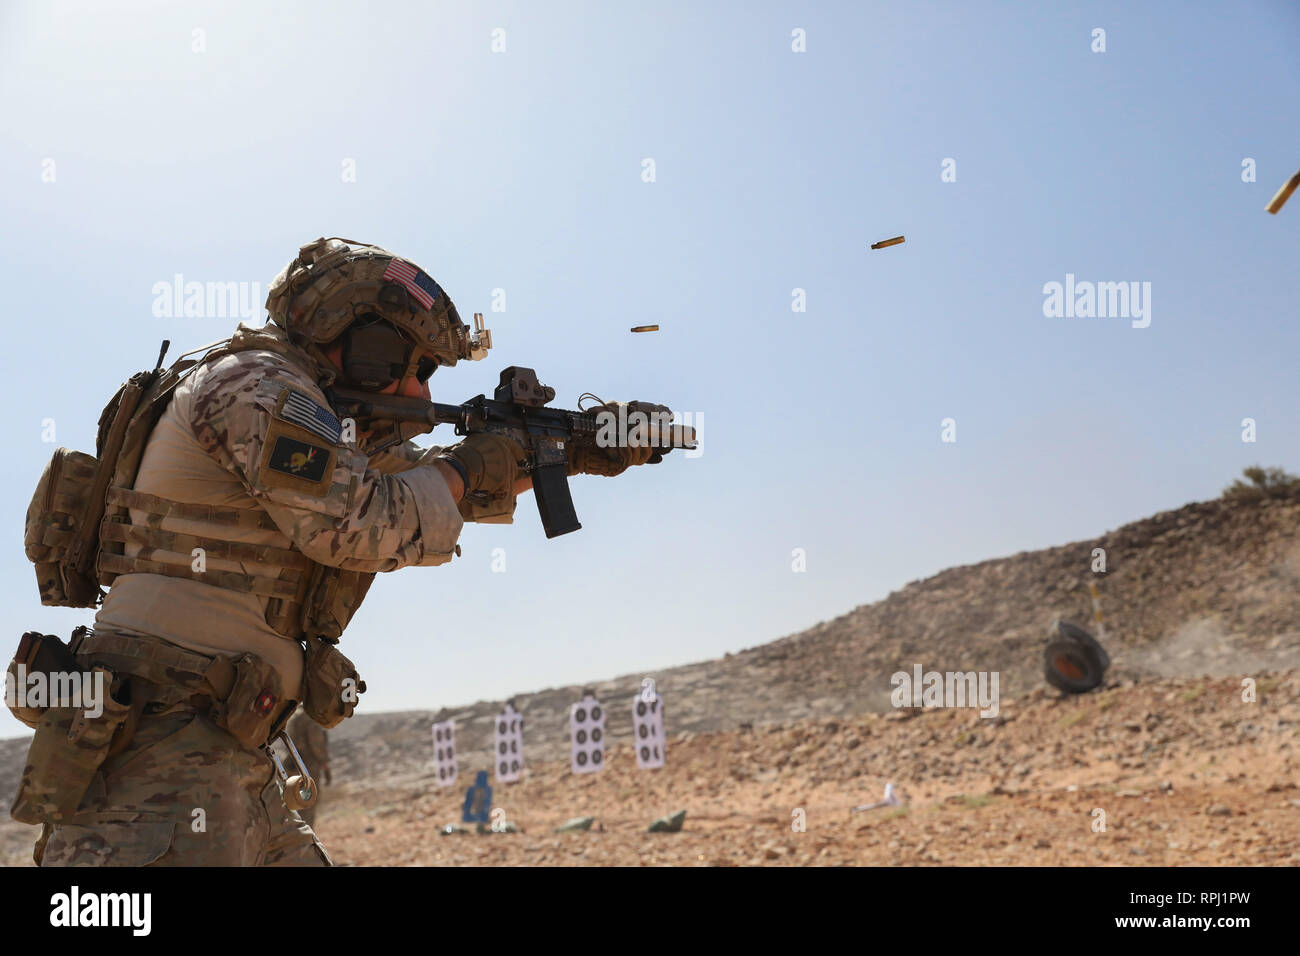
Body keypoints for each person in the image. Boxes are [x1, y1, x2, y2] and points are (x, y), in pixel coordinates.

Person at [23, 238, 661, 866]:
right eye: (409, 364)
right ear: (355, 340)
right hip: (161, 753)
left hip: (223, 743)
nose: (416, 392)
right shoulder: (255, 384)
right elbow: (360, 523)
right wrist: (475, 466)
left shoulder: (304, 405)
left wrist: (574, 450)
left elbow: (420, 483)